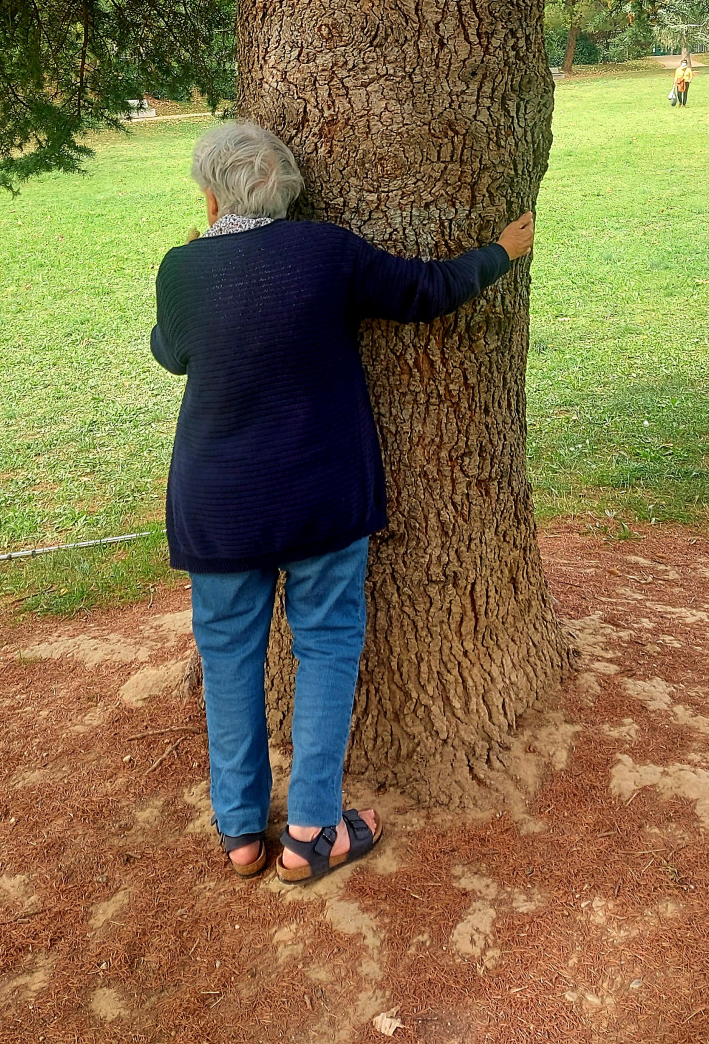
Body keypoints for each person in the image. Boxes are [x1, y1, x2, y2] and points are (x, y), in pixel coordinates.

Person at [151, 121, 535, 884]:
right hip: (321, 491)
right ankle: (309, 832)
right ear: (286, 188)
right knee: (326, 643)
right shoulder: (327, 251)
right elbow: (424, 292)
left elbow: (171, 352)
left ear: (210, 191)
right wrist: (501, 252)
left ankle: (239, 834)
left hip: (219, 503)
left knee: (230, 659)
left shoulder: (183, 267)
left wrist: (193, 265)